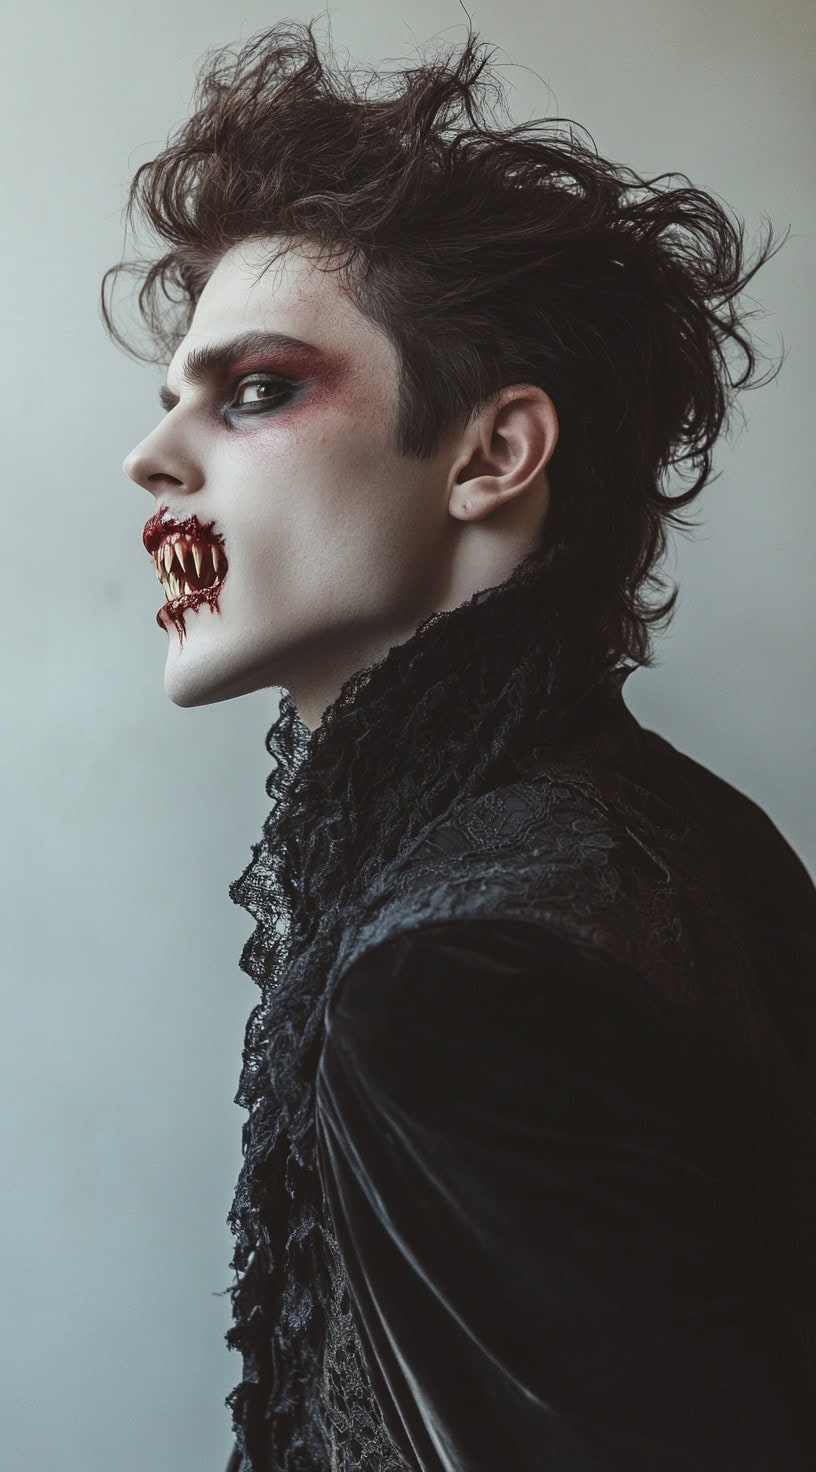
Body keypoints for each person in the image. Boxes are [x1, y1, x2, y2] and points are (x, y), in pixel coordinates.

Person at [103, 19, 816, 1472]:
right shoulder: (679, 829)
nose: (153, 456)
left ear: (493, 456)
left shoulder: (456, 979)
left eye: (253, 391)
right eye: (174, 395)